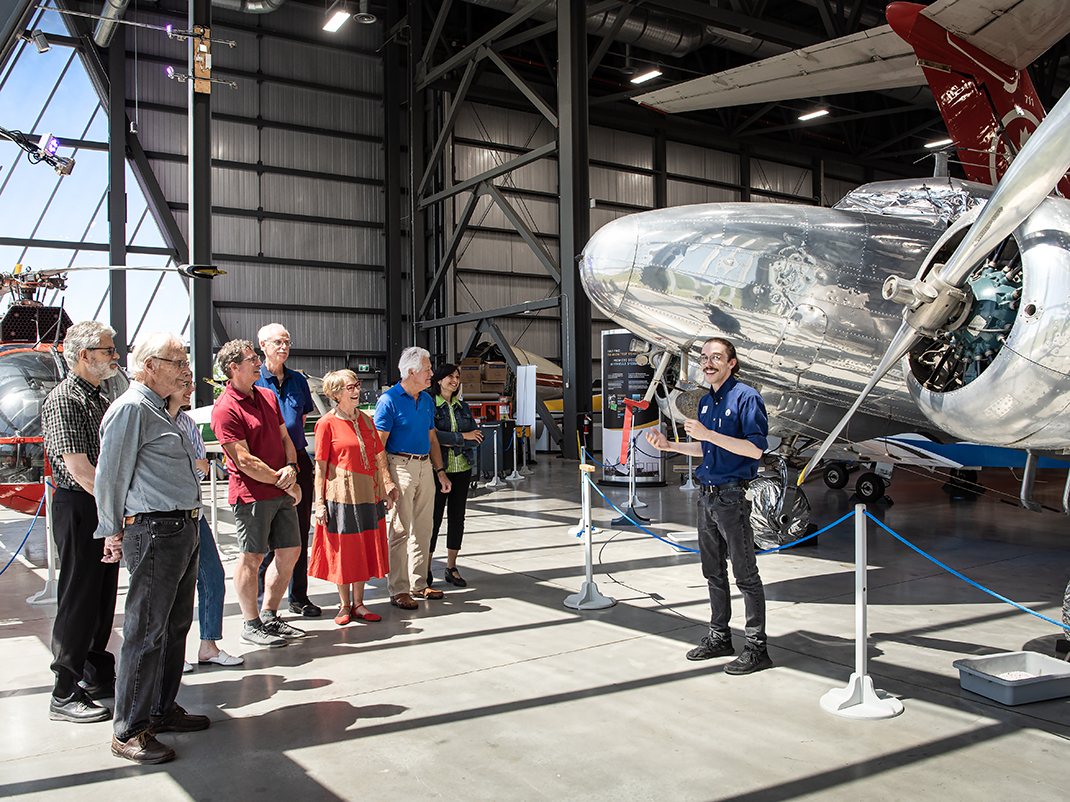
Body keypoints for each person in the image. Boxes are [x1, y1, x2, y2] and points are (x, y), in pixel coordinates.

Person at [95, 333, 209, 764]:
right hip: (156, 531)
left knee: (174, 626)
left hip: (182, 528)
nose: (185, 367)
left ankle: (160, 710)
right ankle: (129, 729)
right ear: (148, 366)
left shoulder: (163, 412)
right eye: (176, 360)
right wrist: (111, 531)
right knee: (145, 632)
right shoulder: (130, 410)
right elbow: (110, 477)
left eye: (184, 359)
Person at [644, 337, 772, 675]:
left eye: (717, 357)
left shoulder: (746, 397)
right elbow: (706, 450)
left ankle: (757, 648)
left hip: (732, 496)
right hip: (707, 495)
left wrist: (709, 435)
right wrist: (669, 445)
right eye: (704, 357)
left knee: (745, 575)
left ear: (732, 363)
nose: (708, 363)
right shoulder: (705, 402)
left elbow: (755, 450)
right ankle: (720, 637)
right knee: (712, 571)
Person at [41, 321, 121, 723]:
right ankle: (64, 689)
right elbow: (80, 470)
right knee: (78, 597)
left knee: (103, 596)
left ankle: (94, 672)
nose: (115, 355)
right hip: (79, 505)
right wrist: (117, 510)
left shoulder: (97, 397)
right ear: (85, 355)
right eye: (108, 350)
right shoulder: (64, 400)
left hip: (99, 504)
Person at [212, 339, 306, 648]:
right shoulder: (225, 408)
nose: (258, 363)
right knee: (251, 558)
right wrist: (285, 481)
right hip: (252, 495)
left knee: (290, 552)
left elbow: (285, 437)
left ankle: (269, 615)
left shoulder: (266, 395)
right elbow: (244, 460)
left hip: (280, 488)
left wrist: (291, 464)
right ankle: (250, 624)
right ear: (233, 368)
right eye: (251, 359)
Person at [308, 370, 398, 625]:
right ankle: (344, 604)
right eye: (350, 387)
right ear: (336, 393)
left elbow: (379, 456)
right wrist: (319, 504)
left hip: (367, 493)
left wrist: (386, 486)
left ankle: (359, 603)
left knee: (364, 547)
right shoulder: (326, 423)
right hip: (341, 495)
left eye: (357, 385)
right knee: (345, 550)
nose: (356, 390)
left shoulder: (367, 421)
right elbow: (321, 467)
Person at [169, 378, 243, 669]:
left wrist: (180, 465)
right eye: (183, 384)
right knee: (171, 588)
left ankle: (209, 646)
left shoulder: (187, 422)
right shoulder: (149, 418)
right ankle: (168, 652)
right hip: (164, 516)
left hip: (193, 512)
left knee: (212, 578)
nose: (190, 389)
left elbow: (200, 466)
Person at [373, 346, 452, 609]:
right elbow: (378, 446)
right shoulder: (389, 401)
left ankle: (419, 584)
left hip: (424, 466)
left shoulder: (427, 400)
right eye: (427, 369)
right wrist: (386, 480)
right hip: (400, 465)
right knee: (399, 530)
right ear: (410, 372)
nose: (432, 373)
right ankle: (398, 589)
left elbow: (432, 438)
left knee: (423, 528)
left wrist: (440, 471)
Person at [254, 323, 320, 618]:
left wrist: (294, 462)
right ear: (263, 345)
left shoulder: (298, 381)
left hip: (299, 462)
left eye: (287, 341)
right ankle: (264, 601)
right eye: (277, 342)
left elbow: (299, 419)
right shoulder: (254, 381)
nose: (283, 346)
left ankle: (299, 595)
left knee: (300, 531)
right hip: (267, 466)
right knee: (268, 535)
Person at [429, 363, 483, 587]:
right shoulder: (430, 406)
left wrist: (456, 437)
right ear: (439, 380)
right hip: (437, 471)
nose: (455, 380)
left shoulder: (463, 407)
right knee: (433, 520)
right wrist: (462, 437)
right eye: (450, 376)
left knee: (457, 519)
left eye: (457, 377)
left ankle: (451, 567)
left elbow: (476, 436)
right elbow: (433, 437)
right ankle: (426, 568)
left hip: (462, 468)